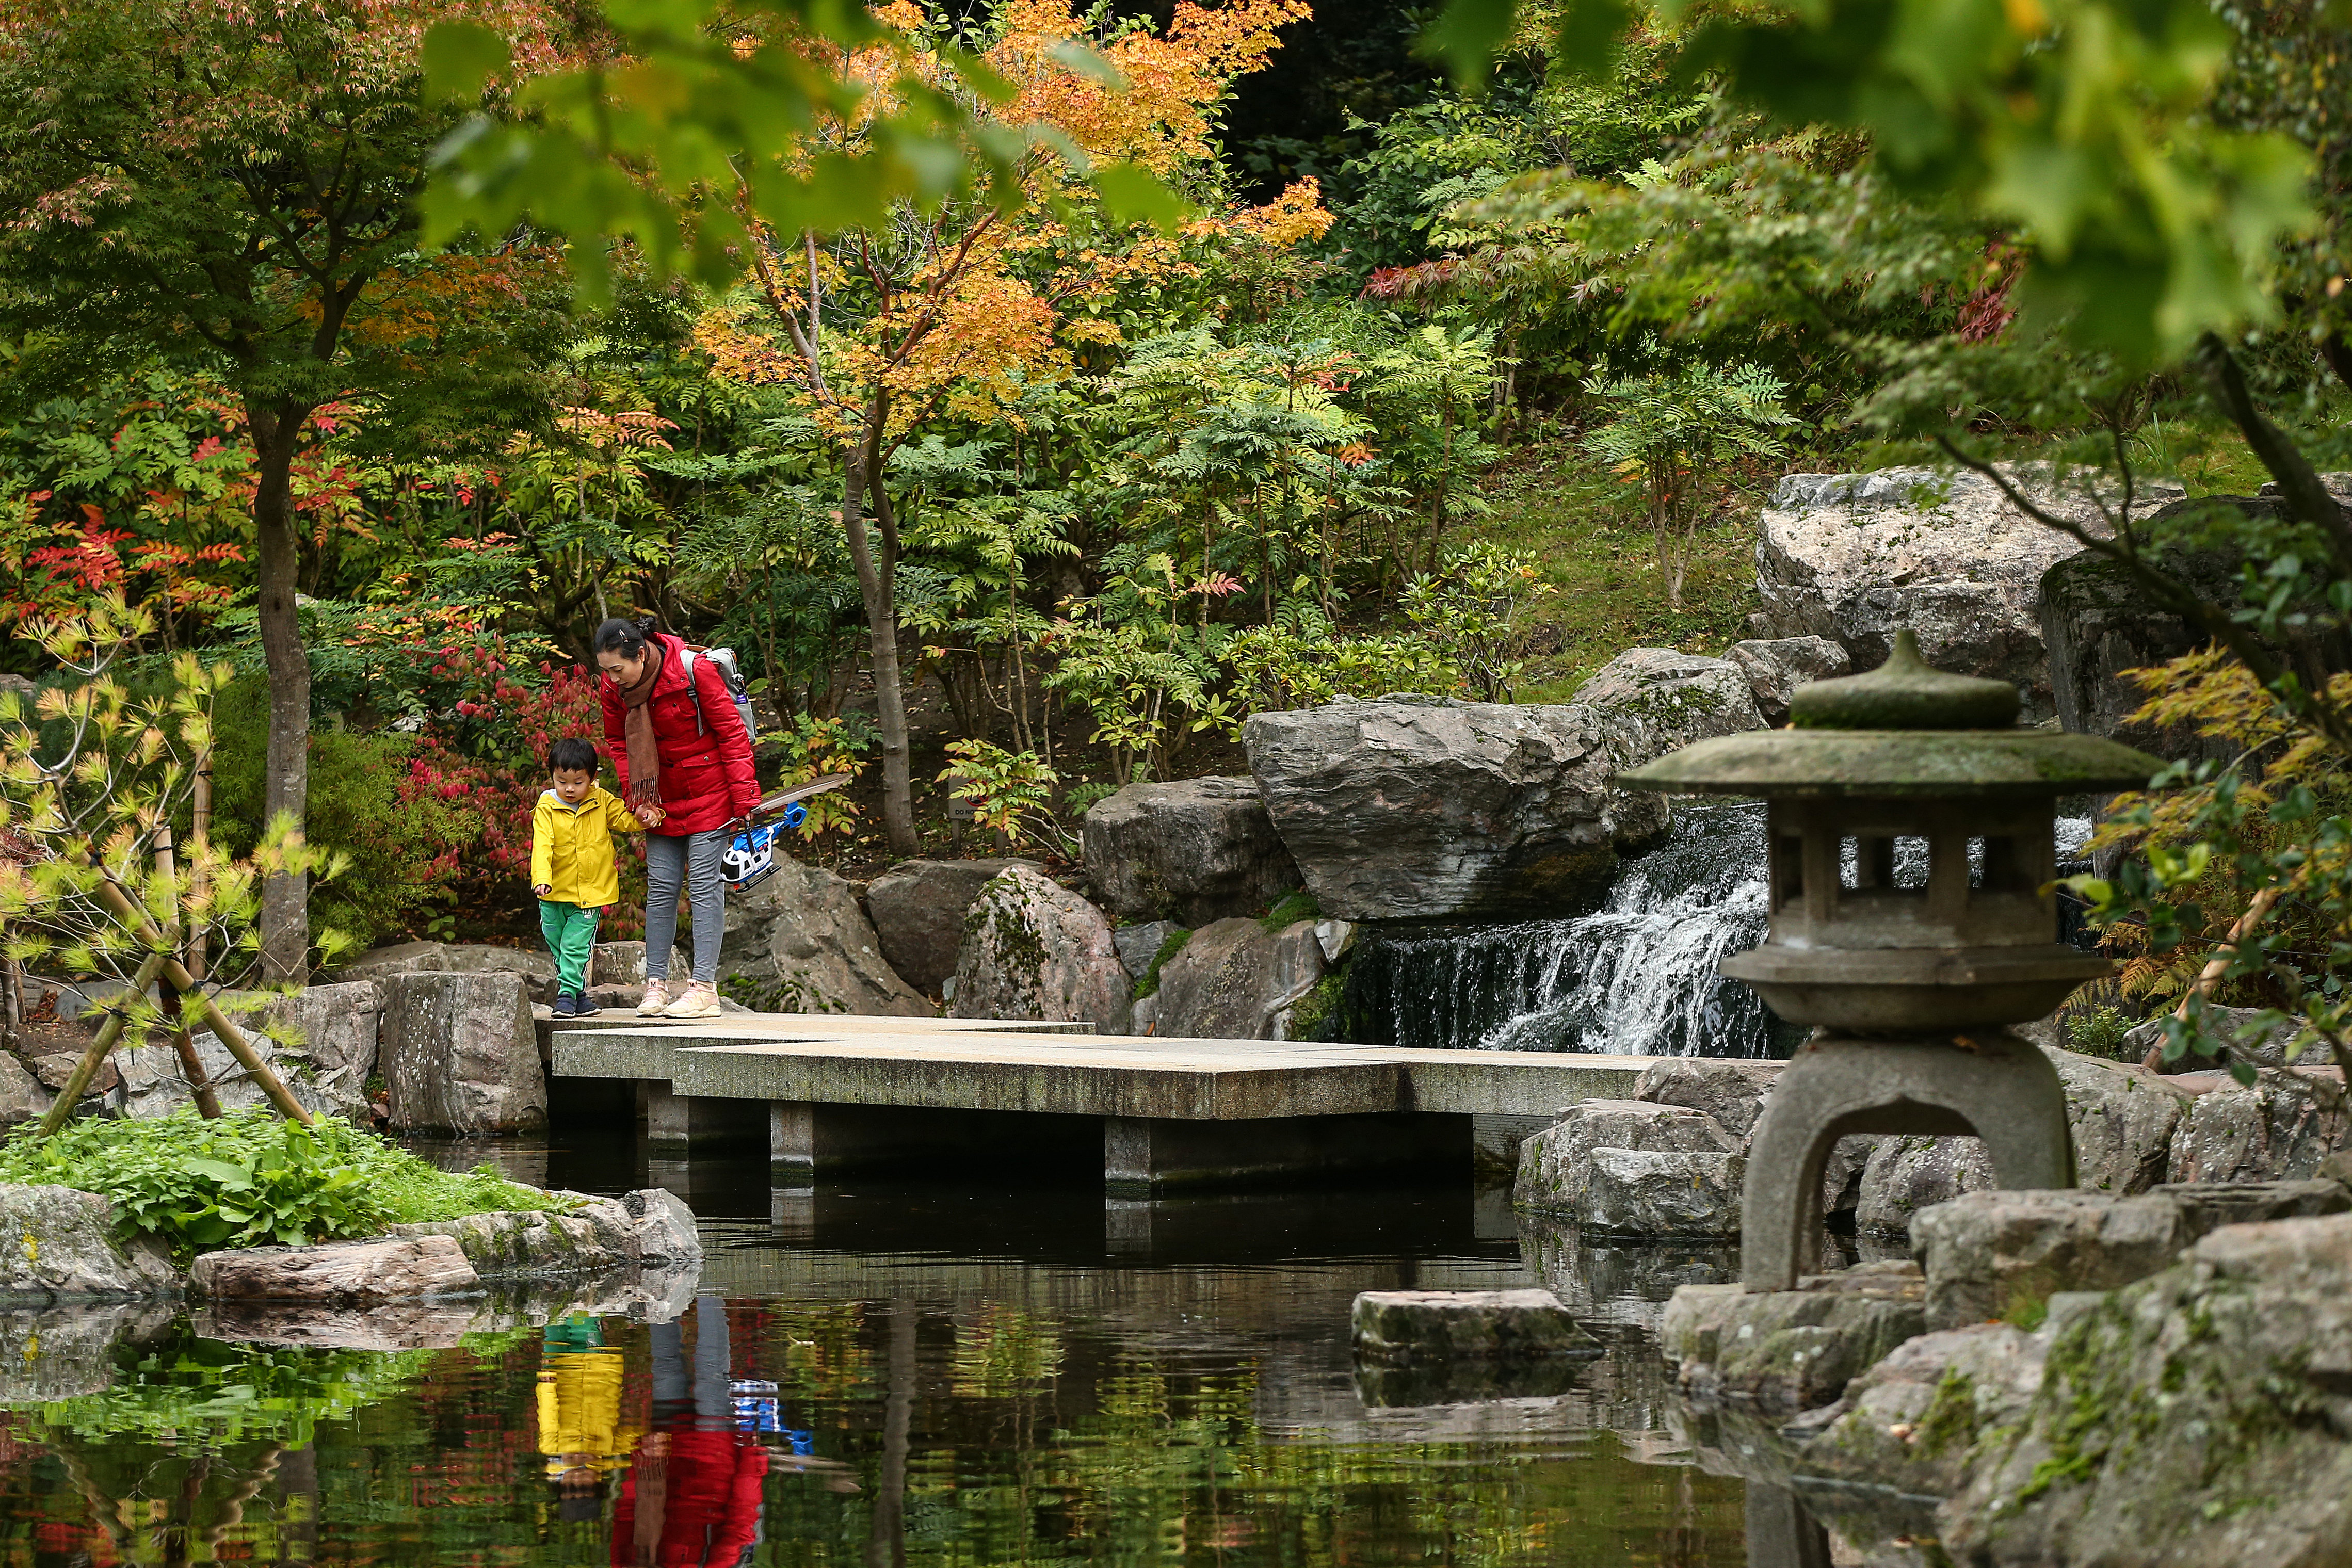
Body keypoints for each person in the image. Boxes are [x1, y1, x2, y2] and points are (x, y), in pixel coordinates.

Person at [595, 617, 761, 1020]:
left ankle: (704, 989)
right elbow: (618, 741)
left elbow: (732, 734)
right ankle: (656, 986)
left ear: (640, 653)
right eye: (606, 671)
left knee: (704, 886)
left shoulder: (693, 669)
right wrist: (638, 799)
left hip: (712, 794)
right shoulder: (614, 689)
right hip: (661, 801)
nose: (613, 679)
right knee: (661, 888)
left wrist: (744, 800)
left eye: (618, 669)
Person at [531, 737, 652, 1019]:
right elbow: (542, 844)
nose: (569, 789)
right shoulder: (547, 807)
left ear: (592, 778)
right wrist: (541, 877)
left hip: (589, 895)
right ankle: (580, 997)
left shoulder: (601, 801)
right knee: (558, 945)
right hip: (551, 891)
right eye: (562, 781)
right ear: (552, 777)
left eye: (578, 782)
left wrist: (645, 817)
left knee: (574, 946)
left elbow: (624, 819)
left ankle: (565, 997)